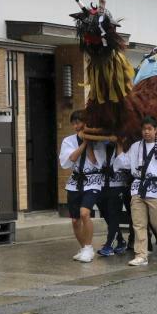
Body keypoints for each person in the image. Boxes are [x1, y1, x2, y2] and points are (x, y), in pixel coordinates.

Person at [114, 115, 157, 266]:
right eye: (144, 129)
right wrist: (118, 144)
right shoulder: (136, 146)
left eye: (150, 129)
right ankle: (141, 255)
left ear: (156, 130)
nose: (146, 132)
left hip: (155, 188)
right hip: (138, 188)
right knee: (139, 223)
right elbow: (124, 162)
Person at [59, 110, 102, 263]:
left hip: (93, 181)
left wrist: (89, 142)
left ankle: (89, 247)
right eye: (75, 123)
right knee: (75, 220)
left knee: (85, 213)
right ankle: (84, 248)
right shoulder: (68, 141)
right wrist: (83, 143)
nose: (77, 126)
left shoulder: (98, 141)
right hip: (75, 183)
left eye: (80, 122)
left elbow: (96, 161)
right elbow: (70, 159)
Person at [96, 140, 131, 257]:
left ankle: (109, 245)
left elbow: (125, 164)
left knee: (113, 214)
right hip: (101, 184)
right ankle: (121, 241)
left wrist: (119, 144)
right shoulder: (99, 145)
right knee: (106, 214)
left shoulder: (124, 147)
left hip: (118, 185)